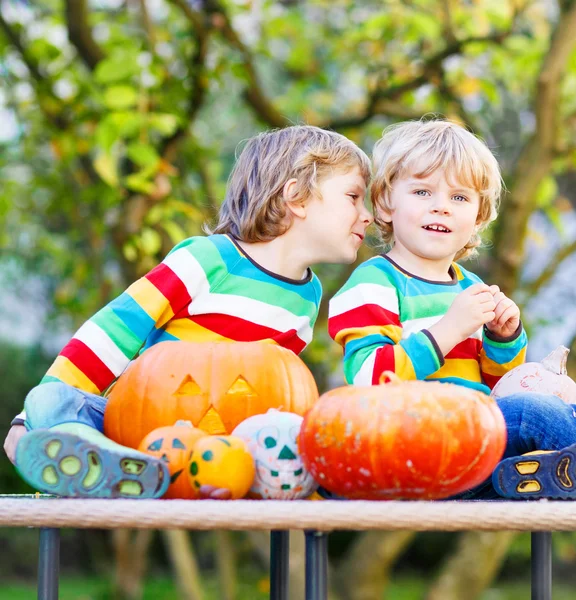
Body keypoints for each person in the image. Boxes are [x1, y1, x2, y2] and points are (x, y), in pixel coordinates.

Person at [5, 125, 373, 499]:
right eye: (354, 197)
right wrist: (30, 420)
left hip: (231, 455)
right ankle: (106, 462)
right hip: (139, 434)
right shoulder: (207, 259)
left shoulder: (308, 295)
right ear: (297, 197)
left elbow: (279, 399)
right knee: (49, 399)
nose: (367, 215)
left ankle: (324, 486)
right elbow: (116, 328)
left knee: (315, 433)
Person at [329, 118, 576, 500]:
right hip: (415, 445)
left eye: (459, 198)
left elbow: (496, 388)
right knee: (530, 413)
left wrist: (502, 339)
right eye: (423, 192)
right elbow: (368, 382)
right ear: (386, 204)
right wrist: (449, 330)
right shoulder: (374, 283)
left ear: (477, 218)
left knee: (537, 413)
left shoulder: (470, 286)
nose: (441, 207)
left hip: (476, 451)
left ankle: (547, 475)